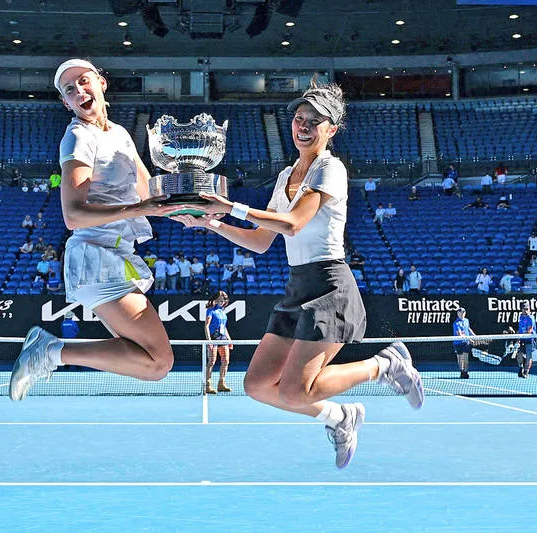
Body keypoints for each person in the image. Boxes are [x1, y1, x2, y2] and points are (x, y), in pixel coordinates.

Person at [170, 79, 423, 468]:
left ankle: (385, 364)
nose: (302, 126)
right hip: (298, 287)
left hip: (330, 287)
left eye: (314, 121)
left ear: (331, 130)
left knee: (294, 390)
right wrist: (210, 223)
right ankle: (340, 417)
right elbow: (260, 241)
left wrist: (231, 205)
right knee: (256, 385)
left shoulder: (330, 169)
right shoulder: (288, 173)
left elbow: (292, 224)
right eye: (299, 118)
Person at [8, 58, 180, 402]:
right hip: (95, 257)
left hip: (119, 254)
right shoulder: (77, 137)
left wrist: (194, 207)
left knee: (153, 363)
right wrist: (138, 208)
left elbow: (151, 196)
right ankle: (51, 351)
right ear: (66, 103)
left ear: (101, 83)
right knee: (159, 360)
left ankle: (52, 351)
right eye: (69, 90)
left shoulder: (118, 133)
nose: (78, 91)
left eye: (84, 82)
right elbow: (72, 215)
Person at [204, 291, 233, 394]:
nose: (221, 302)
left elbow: (224, 327)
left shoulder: (223, 311)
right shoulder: (210, 310)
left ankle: (221, 384)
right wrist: (209, 341)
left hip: (223, 338)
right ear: (215, 300)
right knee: (211, 361)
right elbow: (207, 325)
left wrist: (229, 339)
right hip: (213, 338)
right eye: (220, 300)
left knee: (226, 361)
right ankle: (207, 385)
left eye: (223, 300)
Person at [452, 307, 475, 379]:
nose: (462, 314)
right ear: (458, 314)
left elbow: (468, 329)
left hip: (466, 342)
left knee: (466, 357)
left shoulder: (466, 321)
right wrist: (469, 339)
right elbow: (459, 334)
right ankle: (462, 371)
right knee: (460, 358)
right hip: (458, 343)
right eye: (460, 312)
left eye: (463, 312)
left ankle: (466, 372)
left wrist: (475, 336)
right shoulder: (456, 323)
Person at [517, 302, 536, 378]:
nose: (525, 311)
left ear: (529, 310)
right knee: (519, 354)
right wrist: (518, 338)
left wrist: (523, 335)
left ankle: (526, 372)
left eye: (527, 309)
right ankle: (521, 368)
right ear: (521, 310)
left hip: (530, 339)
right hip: (522, 339)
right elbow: (520, 329)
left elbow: (530, 330)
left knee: (529, 356)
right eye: (524, 309)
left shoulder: (531, 318)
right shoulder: (521, 317)